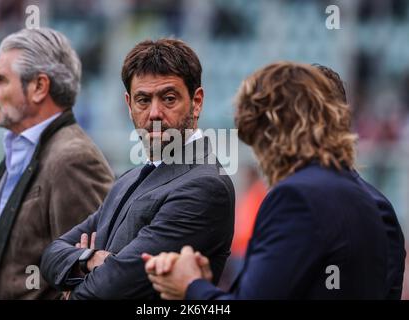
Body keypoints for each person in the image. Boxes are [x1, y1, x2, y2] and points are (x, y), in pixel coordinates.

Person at [144, 62, 406, 299]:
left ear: (274, 131)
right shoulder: (366, 199)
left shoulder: (297, 197)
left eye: (257, 139)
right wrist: (205, 285)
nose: (260, 157)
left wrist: (190, 286)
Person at [40, 38, 235, 300]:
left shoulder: (205, 187)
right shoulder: (128, 179)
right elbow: (51, 254)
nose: (154, 113)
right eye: (143, 100)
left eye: (168, 98)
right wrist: (89, 260)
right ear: (129, 105)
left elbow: (109, 292)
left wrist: (73, 281)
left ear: (196, 101)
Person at [0, 28, 114, 300]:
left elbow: (94, 279)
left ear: (39, 87)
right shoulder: (24, 151)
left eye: (0, 80)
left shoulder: (73, 159)